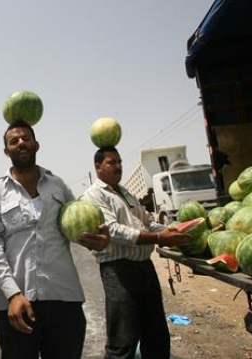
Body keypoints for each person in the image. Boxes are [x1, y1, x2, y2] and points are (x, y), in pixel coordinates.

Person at [0, 121, 111, 359]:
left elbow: (75, 224)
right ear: (6, 151)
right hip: (15, 303)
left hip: (63, 299)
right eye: (13, 140)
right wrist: (12, 293)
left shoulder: (57, 185)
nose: (21, 143)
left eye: (26, 138)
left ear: (36, 144)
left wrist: (95, 240)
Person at [81, 146, 191, 359]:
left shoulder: (126, 193)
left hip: (145, 269)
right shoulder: (93, 196)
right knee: (123, 342)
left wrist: (173, 231)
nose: (118, 166)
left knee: (156, 335)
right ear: (98, 167)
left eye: (119, 161)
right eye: (111, 162)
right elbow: (114, 231)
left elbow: (147, 222)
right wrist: (160, 239)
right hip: (118, 272)